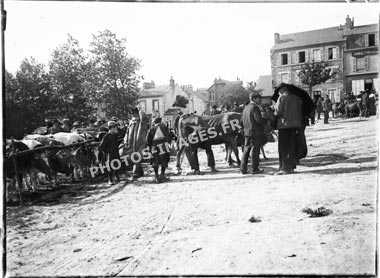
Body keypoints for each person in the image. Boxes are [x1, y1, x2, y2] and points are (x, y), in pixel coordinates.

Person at [274, 85, 303, 175]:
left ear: (281, 92)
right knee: (292, 146)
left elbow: (278, 112)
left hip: (284, 125)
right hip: (295, 125)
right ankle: (291, 167)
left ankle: (284, 168)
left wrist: (273, 110)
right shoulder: (297, 99)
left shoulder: (281, 98)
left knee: (283, 148)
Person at [240, 92, 267, 175]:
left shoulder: (246, 108)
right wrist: (265, 120)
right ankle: (255, 169)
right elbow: (258, 120)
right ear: (254, 98)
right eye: (259, 98)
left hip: (247, 133)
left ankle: (243, 168)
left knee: (246, 150)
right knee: (255, 151)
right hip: (255, 132)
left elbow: (241, 121)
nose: (260, 100)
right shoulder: (255, 107)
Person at [146, 114, 172, 183]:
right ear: (160, 121)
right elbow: (169, 136)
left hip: (154, 146)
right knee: (164, 160)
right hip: (163, 146)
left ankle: (157, 176)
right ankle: (162, 175)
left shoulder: (152, 128)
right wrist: (168, 143)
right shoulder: (164, 127)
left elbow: (148, 139)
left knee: (155, 161)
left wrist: (149, 146)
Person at [99, 121, 121, 185]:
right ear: (112, 128)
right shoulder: (106, 136)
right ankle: (110, 180)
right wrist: (106, 152)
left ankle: (116, 177)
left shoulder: (114, 135)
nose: (116, 128)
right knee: (110, 167)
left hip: (115, 152)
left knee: (117, 164)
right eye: (115, 127)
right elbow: (101, 146)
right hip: (109, 153)